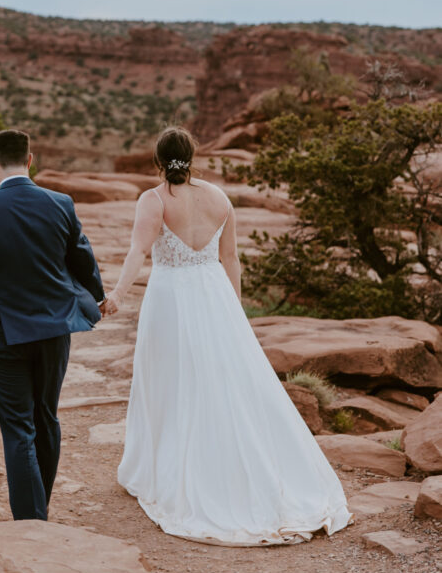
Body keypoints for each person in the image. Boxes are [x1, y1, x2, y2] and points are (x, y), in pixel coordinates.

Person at [103, 126, 352, 546]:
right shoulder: (219, 197)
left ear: (158, 159)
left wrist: (116, 295)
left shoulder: (154, 199)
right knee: (223, 382)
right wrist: (233, 310)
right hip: (215, 295)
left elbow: (138, 252)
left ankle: (165, 471)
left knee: (167, 382)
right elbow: (230, 257)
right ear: (193, 154)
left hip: (170, 300)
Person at [0, 128, 105, 521]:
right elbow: (82, 259)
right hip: (55, 330)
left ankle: (31, 522)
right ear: (30, 159)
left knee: (19, 428)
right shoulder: (61, 203)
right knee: (46, 417)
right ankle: (41, 508)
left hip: (2, 336)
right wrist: (99, 297)